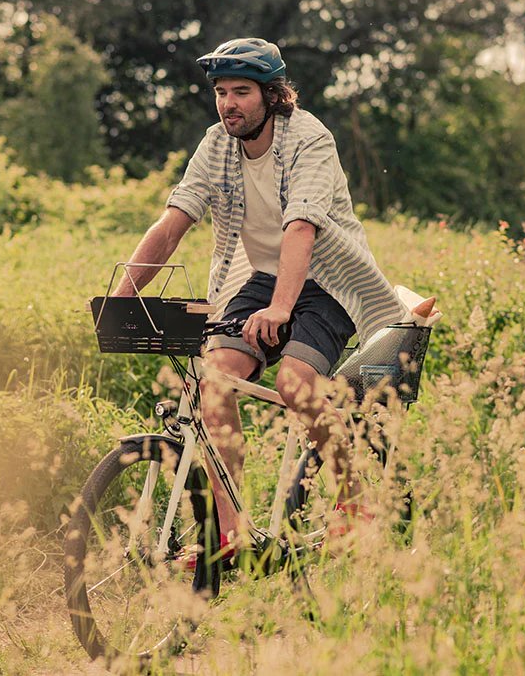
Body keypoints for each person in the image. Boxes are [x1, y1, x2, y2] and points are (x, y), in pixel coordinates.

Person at [110, 38, 406, 543]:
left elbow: (300, 230)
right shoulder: (216, 143)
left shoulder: (309, 138)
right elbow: (171, 224)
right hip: (264, 278)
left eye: (242, 91)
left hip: (327, 281)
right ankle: (231, 530)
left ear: (272, 95)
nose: (229, 103)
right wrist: (118, 303)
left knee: (295, 382)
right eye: (221, 92)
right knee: (215, 381)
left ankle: (355, 501)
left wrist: (281, 310)